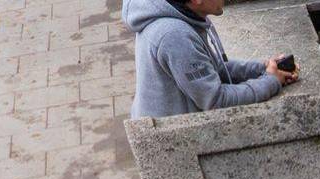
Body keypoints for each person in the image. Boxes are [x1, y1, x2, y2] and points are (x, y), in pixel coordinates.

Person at [124, 0, 299, 119]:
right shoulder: (175, 36)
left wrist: (263, 68)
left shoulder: (182, 14)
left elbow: (215, 68)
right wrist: (270, 81)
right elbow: (216, 101)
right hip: (175, 143)